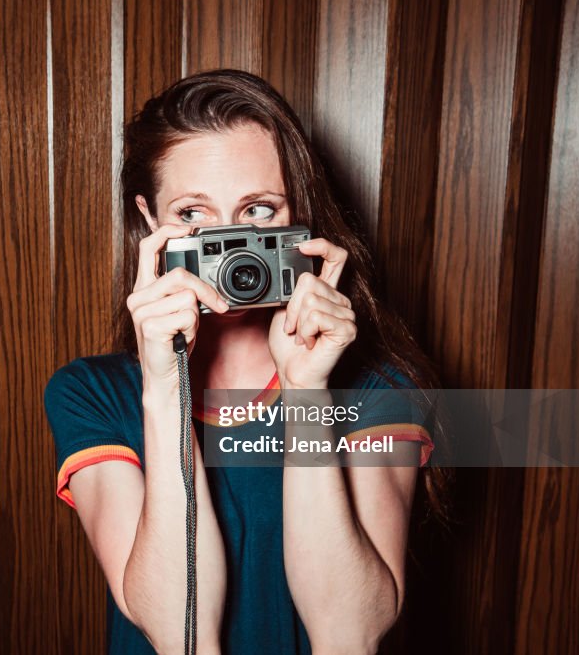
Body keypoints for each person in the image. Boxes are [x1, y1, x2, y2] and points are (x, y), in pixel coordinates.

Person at [44, 69, 442, 654]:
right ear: (149, 222)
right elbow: (178, 634)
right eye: (193, 216)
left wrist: (308, 392)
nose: (231, 247)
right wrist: (164, 386)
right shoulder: (92, 394)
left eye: (257, 211)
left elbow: (349, 635)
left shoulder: (379, 391)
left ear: (298, 216)